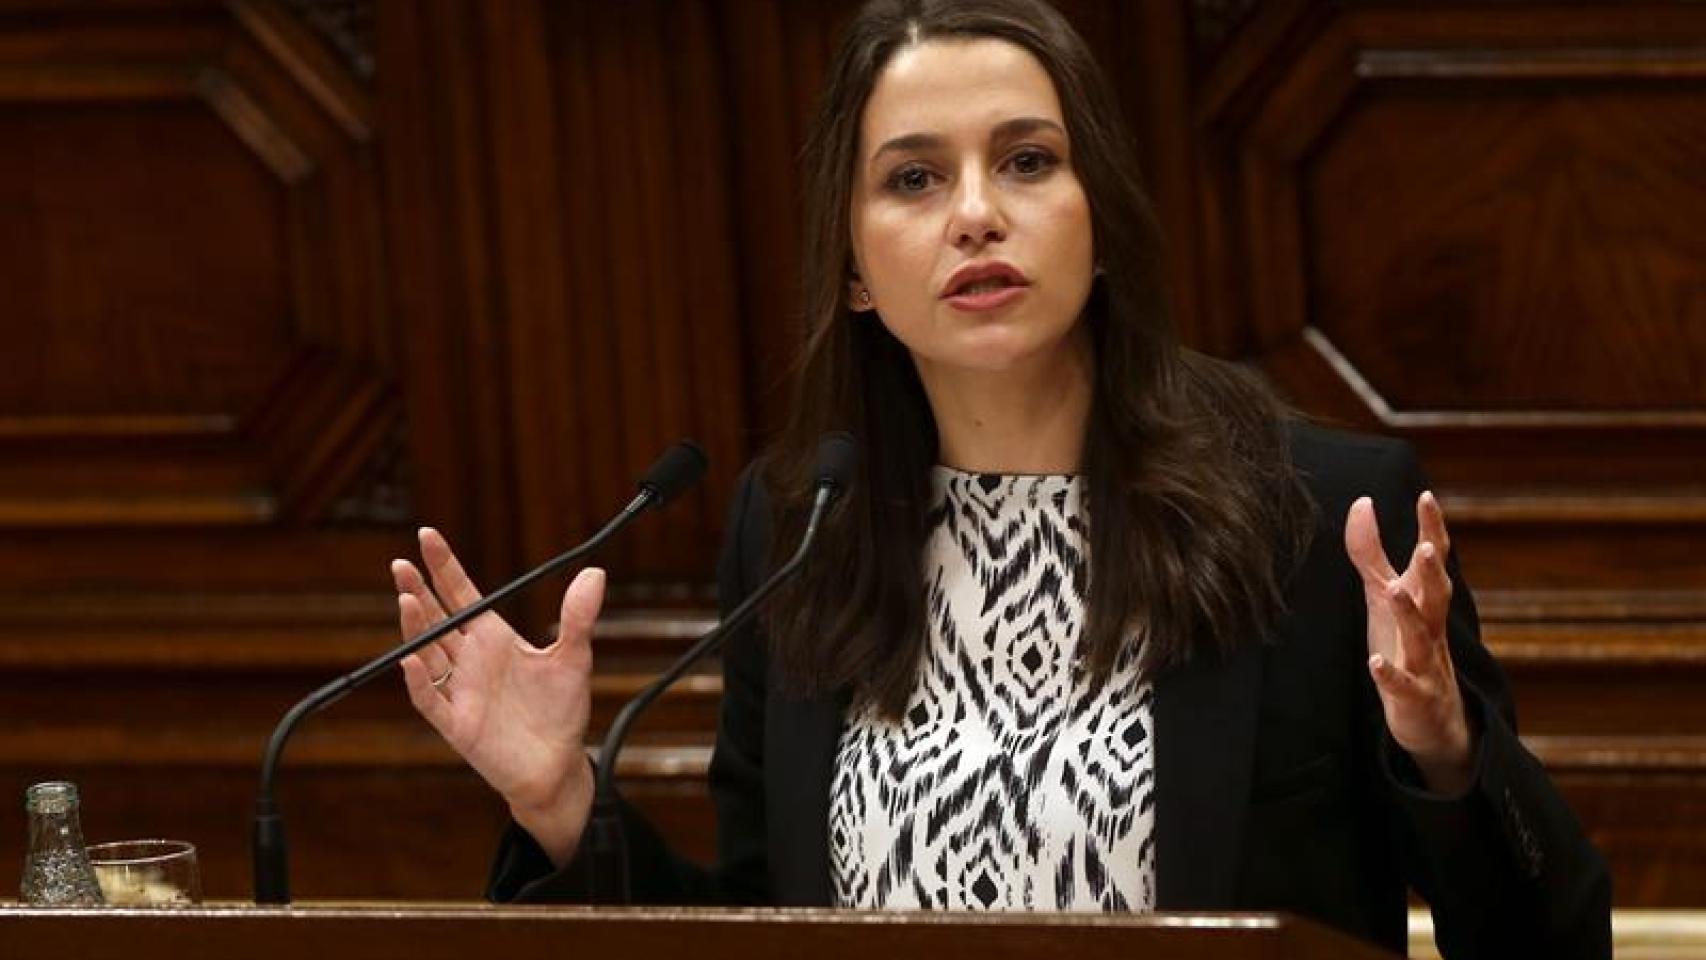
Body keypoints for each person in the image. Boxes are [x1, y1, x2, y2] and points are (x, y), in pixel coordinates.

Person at [388, 0, 1612, 955]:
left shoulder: (1314, 517)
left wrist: (1446, 757)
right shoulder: (802, 528)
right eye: (913, 179)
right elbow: (759, 932)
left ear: (1099, 217)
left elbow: (1543, 943)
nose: (974, 214)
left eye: (1025, 161)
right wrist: (558, 800)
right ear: (856, 267)